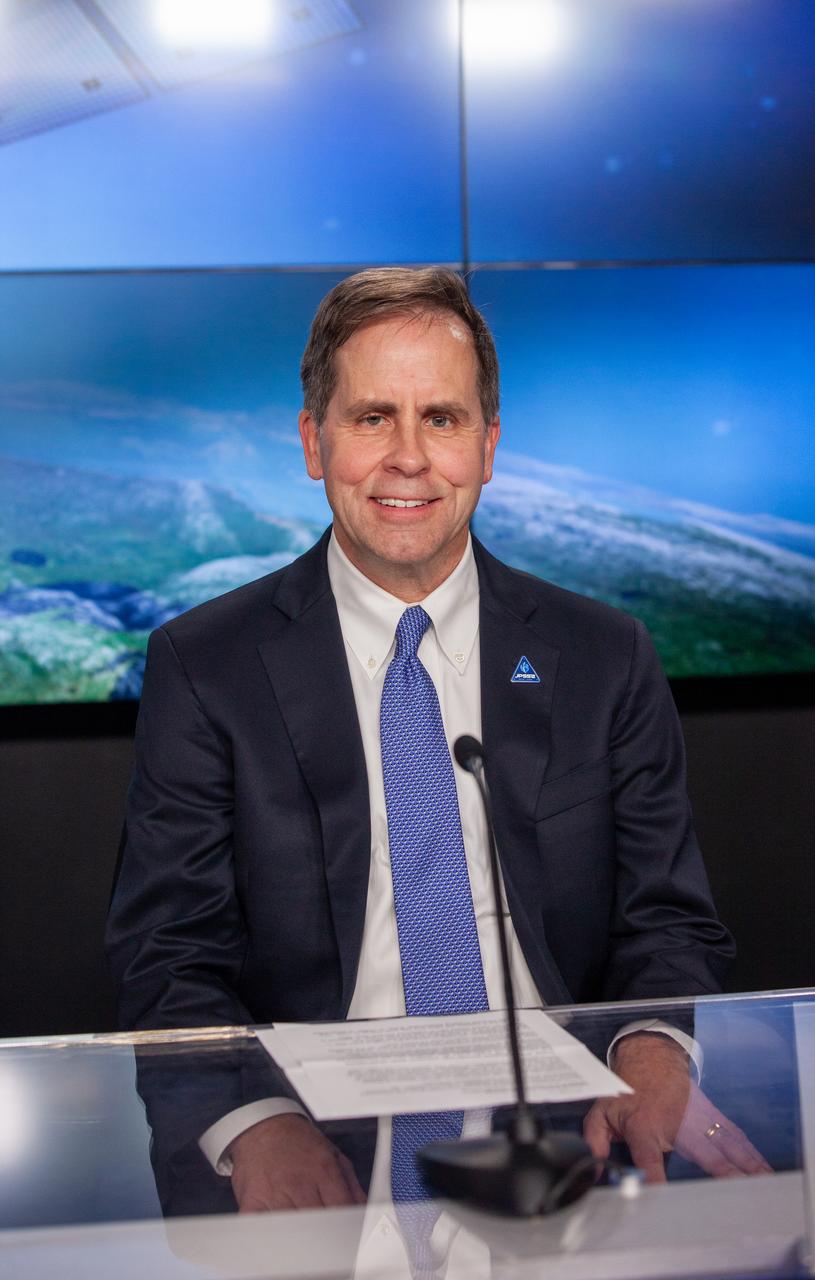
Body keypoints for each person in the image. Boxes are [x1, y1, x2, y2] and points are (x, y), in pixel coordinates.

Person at [106, 267, 767, 1214]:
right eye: (373, 417)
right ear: (314, 442)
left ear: (487, 446)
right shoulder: (206, 664)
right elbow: (168, 949)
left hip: (567, 1130)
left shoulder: (603, 656)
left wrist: (651, 1049)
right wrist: (257, 1122)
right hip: (312, 1131)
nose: (408, 458)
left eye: (442, 419)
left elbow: (666, 918)